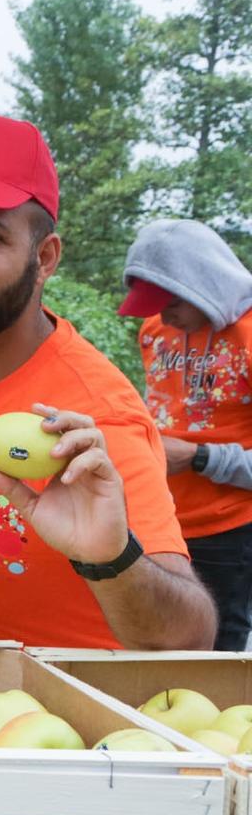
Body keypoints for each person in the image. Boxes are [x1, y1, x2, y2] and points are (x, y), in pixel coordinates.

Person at [0, 113, 213, 649]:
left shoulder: (92, 417)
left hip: (67, 719)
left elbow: (191, 640)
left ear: (44, 258)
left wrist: (113, 558)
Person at [121, 218, 252, 650]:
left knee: (216, 653)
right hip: (160, 523)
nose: (161, 314)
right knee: (159, 646)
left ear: (203, 283)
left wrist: (198, 458)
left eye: (169, 300)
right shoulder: (155, 333)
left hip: (228, 531)